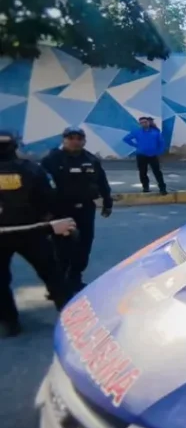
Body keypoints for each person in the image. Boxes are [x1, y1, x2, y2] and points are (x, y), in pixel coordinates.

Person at [0, 130, 74, 338]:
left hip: (7, 235)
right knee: (52, 273)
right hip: (33, 232)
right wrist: (47, 222)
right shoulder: (31, 169)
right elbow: (50, 198)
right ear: (14, 146)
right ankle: (71, 316)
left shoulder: (32, 168)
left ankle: (9, 322)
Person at [41, 127, 113, 292]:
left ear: (84, 141)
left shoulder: (91, 159)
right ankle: (60, 282)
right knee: (61, 248)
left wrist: (107, 202)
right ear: (64, 139)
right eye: (71, 138)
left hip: (85, 209)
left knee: (84, 245)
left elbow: (102, 182)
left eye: (79, 138)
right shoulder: (51, 159)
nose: (75, 141)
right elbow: (41, 186)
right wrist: (43, 211)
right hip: (60, 209)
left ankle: (75, 278)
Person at [124, 116, 167, 194]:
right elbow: (126, 139)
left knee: (157, 172)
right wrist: (136, 145)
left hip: (153, 155)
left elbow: (161, 142)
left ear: (148, 122)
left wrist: (159, 151)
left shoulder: (155, 132)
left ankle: (162, 188)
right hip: (141, 155)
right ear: (140, 124)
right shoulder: (137, 132)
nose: (144, 124)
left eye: (145, 122)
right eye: (141, 123)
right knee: (143, 172)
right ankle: (145, 188)